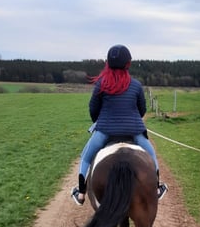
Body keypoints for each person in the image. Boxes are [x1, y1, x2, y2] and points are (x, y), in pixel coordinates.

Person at [71, 44, 168, 205]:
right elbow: (142, 110)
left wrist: (99, 121)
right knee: (151, 154)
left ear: (108, 62)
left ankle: (81, 193)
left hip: (105, 131)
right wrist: (132, 119)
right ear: (128, 63)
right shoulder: (136, 85)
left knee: (86, 156)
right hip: (134, 131)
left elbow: (93, 108)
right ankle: (157, 188)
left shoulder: (101, 84)